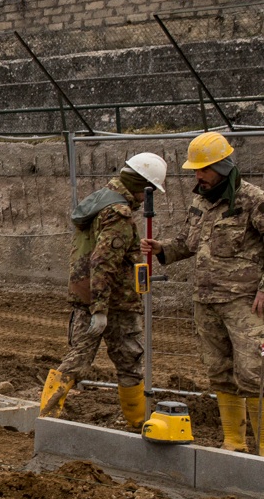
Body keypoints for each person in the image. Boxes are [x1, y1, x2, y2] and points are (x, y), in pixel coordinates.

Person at [142, 132, 264, 453]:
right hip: (206, 301)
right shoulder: (200, 201)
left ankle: (262, 451)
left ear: (223, 166)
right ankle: (234, 444)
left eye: (204, 170)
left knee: (253, 373)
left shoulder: (253, 200)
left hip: (245, 304)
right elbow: (188, 243)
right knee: (219, 372)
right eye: (195, 170)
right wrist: (162, 248)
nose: (198, 176)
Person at [41, 152, 168, 427]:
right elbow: (103, 261)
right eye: (151, 192)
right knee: (129, 360)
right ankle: (137, 423)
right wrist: (100, 309)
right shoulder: (119, 213)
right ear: (142, 186)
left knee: (78, 358)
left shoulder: (100, 201)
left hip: (89, 296)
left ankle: (47, 419)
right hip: (113, 302)